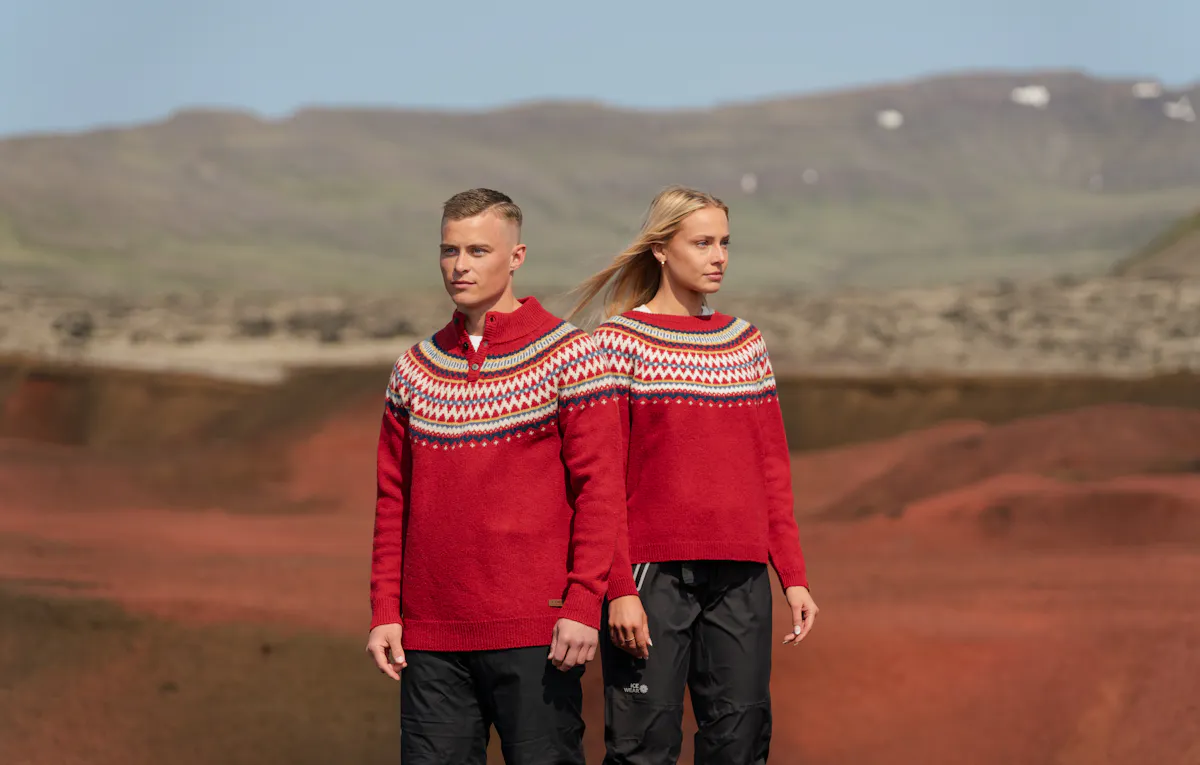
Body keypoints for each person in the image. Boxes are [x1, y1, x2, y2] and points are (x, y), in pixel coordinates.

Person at [365, 188, 625, 765]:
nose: (460, 266)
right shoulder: (413, 368)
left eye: (478, 250)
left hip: (538, 633)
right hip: (429, 640)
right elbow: (392, 501)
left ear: (516, 256)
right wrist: (386, 610)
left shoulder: (572, 356)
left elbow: (601, 493)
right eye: (449, 250)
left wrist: (584, 604)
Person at [569, 185, 819, 764]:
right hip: (652, 577)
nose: (718, 257)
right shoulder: (615, 344)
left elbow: (771, 470)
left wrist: (794, 575)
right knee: (642, 749)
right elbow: (601, 482)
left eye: (725, 243)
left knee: (740, 745)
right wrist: (620, 590)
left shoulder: (745, 343)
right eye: (702, 242)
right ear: (661, 249)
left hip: (741, 574)